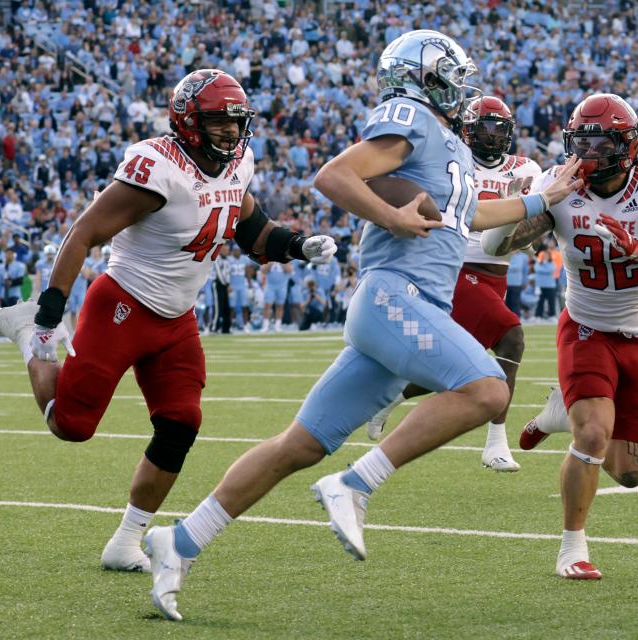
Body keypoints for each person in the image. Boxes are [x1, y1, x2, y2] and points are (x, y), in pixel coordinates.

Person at [140, 31, 580, 621]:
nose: (459, 86)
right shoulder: (413, 118)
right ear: (420, 77)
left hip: (408, 306)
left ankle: (182, 541)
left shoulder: (446, 142)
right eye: (448, 74)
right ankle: (357, 483)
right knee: (486, 388)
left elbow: (471, 214)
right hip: (393, 296)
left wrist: (542, 199)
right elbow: (335, 176)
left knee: (297, 445)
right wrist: (390, 218)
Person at [0, 69, 336, 573]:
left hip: (177, 320)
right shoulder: (157, 167)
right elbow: (83, 233)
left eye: (237, 121)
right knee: (72, 427)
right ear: (189, 121)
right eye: (218, 121)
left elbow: (252, 231)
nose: (231, 132)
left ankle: (125, 541)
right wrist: (53, 309)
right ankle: (26, 330)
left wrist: (296, 245)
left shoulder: (237, 166)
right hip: (123, 305)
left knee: (181, 424)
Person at [508, 93, 638, 579]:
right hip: (586, 328)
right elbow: (495, 242)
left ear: (627, 145)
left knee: (631, 472)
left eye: (600, 142)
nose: (589, 153)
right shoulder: (561, 184)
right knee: (593, 432)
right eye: (582, 141)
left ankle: (559, 411)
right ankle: (572, 548)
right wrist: (530, 201)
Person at [362, 96, 542, 471]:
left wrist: (521, 229)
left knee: (463, 366)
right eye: (485, 128)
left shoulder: (526, 168)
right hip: (457, 265)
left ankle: (389, 396)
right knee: (512, 337)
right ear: (467, 130)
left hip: (498, 274)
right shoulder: (452, 160)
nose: (493, 136)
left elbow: (530, 233)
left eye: (499, 128)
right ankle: (496, 442)